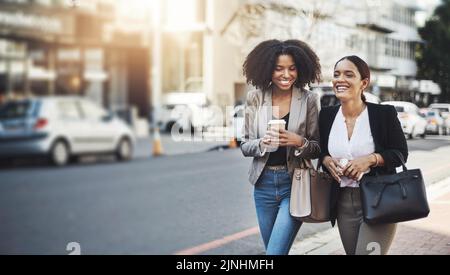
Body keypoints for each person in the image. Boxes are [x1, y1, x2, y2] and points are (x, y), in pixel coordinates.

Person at [319, 55, 408, 255]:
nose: (340, 79)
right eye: (336, 74)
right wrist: (325, 160)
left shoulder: (383, 114)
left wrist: (370, 159)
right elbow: (320, 152)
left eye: (348, 74)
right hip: (342, 202)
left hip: (379, 199)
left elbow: (400, 153)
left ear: (364, 83)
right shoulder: (326, 116)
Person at [240, 39, 321, 255]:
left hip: (294, 183)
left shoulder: (309, 100)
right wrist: (262, 143)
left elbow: (317, 147)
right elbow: (245, 144)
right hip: (263, 184)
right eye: (279, 69)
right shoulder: (255, 98)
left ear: (300, 69)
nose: (286, 74)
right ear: (268, 69)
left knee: (274, 253)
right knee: (275, 252)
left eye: (292, 68)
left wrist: (298, 141)